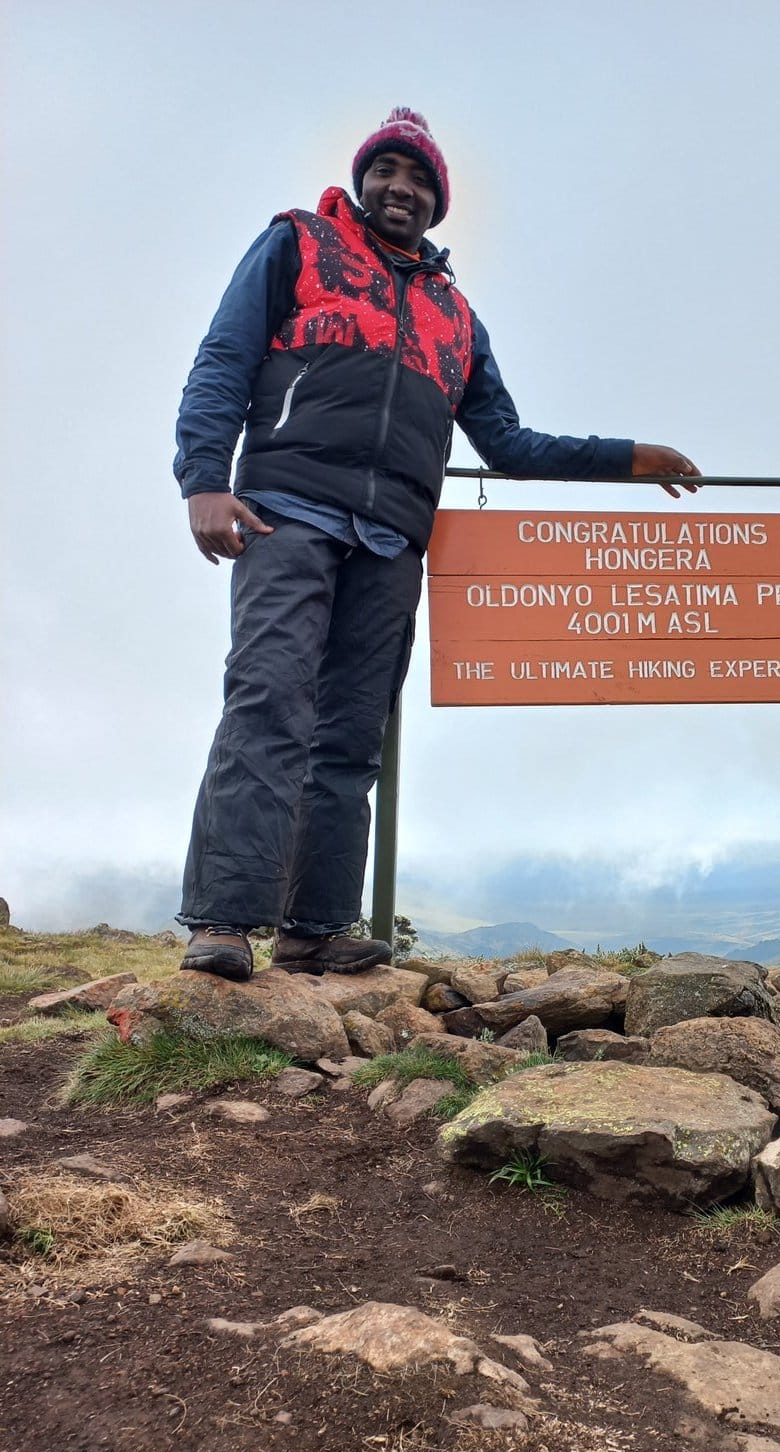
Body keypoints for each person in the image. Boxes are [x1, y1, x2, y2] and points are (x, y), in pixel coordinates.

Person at [173, 107, 699, 982]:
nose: (399, 188)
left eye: (418, 180)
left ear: (437, 203)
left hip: (390, 542)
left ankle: (314, 928)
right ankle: (223, 921)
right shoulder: (297, 245)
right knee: (268, 704)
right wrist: (203, 480)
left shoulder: (456, 316)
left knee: (348, 738)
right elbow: (222, 359)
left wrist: (625, 460)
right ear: (361, 179)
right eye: (386, 171)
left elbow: (510, 445)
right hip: (286, 511)